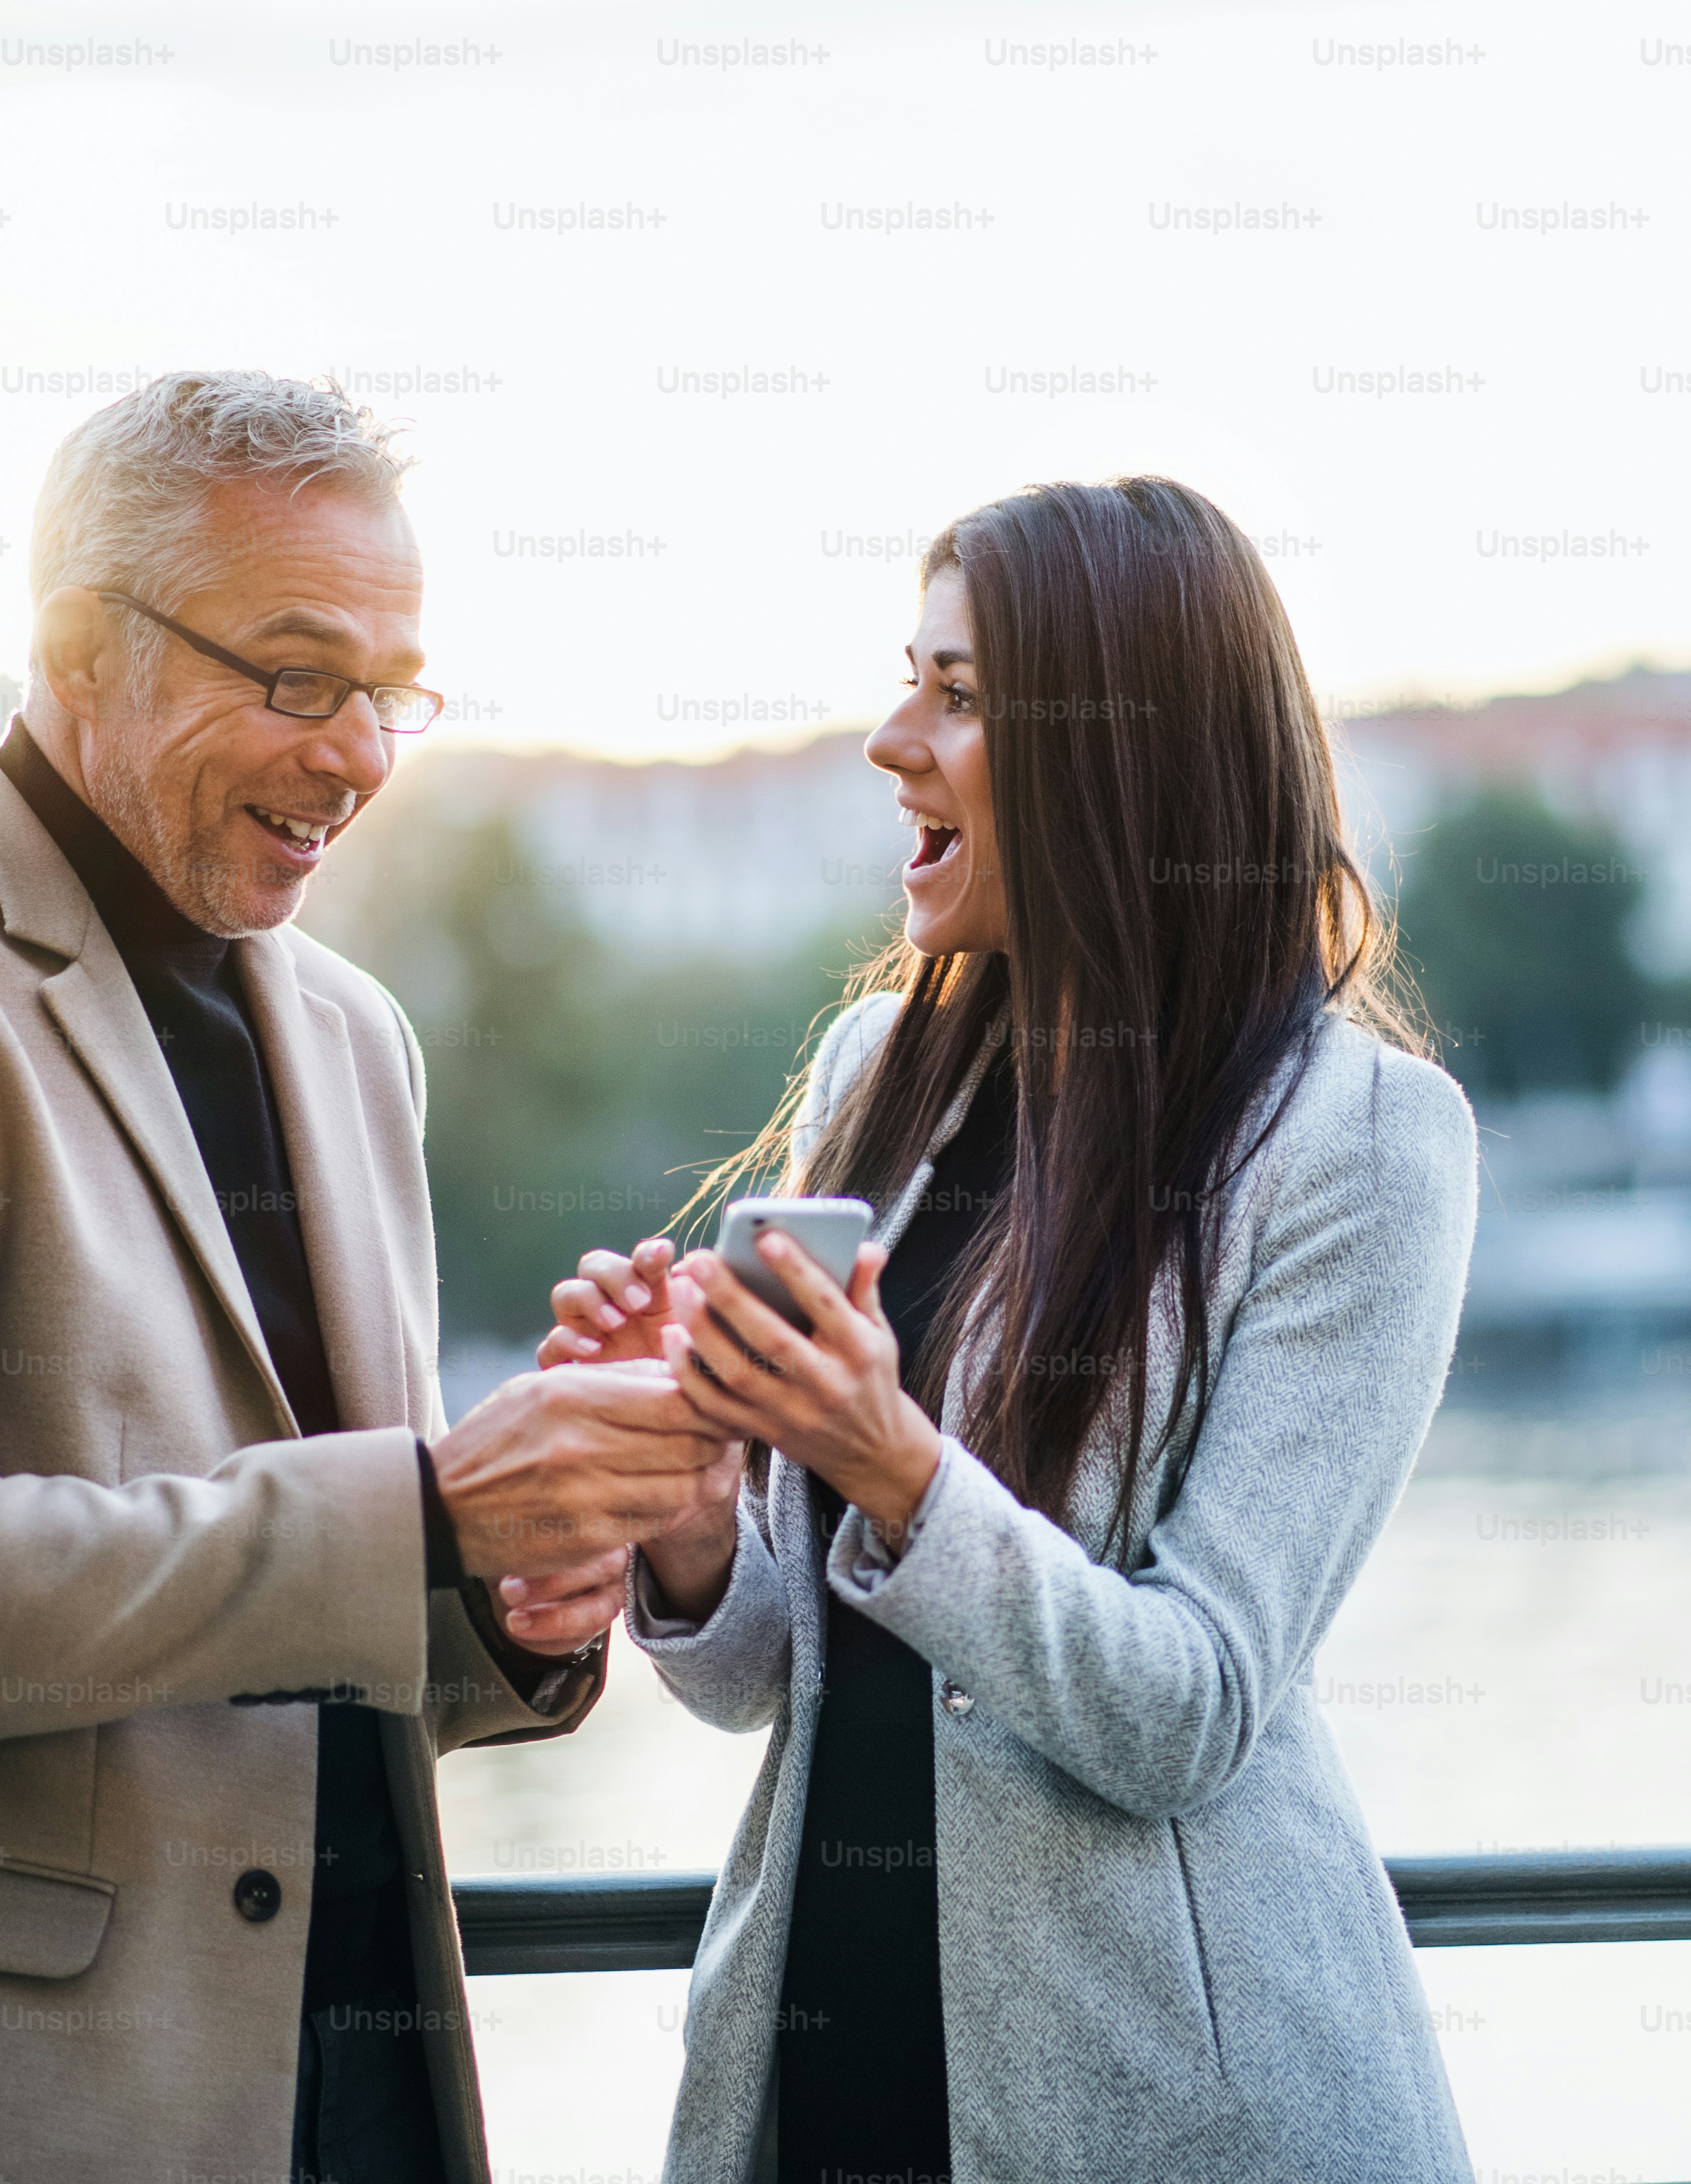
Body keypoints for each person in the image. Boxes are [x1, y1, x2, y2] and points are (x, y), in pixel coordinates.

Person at [0, 370, 740, 2184]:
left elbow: (330, 1632)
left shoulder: (356, 1035)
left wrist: (522, 1590)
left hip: (358, 2092)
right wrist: (440, 1504)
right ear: (75, 643)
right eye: (296, 675)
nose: (359, 752)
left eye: (389, 692)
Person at [545, 478, 1483, 2182]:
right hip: (825, 2050)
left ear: (1125, 752)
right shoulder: (875, 1077)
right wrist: (689, 1520)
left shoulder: (1362, 1144)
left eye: (962, 697)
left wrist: (888, 1462)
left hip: (1167, 2103)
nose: (893, 739)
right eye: (910, 680)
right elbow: (778, 1676)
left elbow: (1191, 1708)